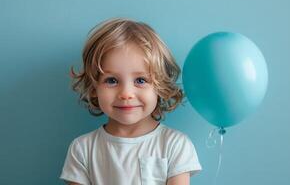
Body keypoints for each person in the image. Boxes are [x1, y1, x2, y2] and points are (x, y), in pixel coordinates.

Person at [59, 18, 202, 185]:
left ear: (160, 86)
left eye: (140, 80)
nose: (126, 94)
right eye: (112, 80)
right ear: (93, 88)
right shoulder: (82, 149)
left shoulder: (174, 145)